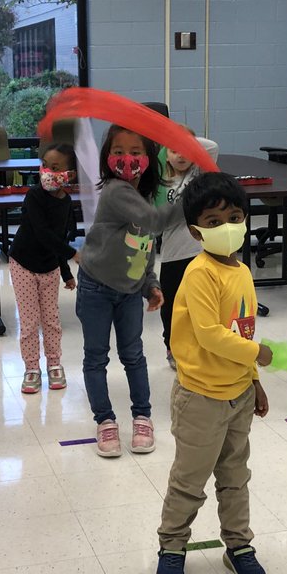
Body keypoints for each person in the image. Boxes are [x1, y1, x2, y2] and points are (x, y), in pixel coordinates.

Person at [155, 173, 272, 574]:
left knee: (235, 475)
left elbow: (242, 329)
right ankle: (172, 545)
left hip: (238, 396)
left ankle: (238, 545)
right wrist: (257, 355)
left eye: (235, 217)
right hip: (200, 397)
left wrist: (253, 378)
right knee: (190, 479)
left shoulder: (240, 270)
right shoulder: (200, 273)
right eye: (214, 220)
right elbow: (209, 334)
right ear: (195, 230)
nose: (227, 227)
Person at [77, 125, 182, 456]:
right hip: (96, 287)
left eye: (136, 152)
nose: (127, 159)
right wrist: (193, 199)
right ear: (108, 158)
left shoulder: (145, 196)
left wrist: (149, 283)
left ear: (149, 159)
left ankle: (142, 416)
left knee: (133, 355)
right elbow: (153, 222)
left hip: (129, 291)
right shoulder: (115, 191)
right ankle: (105, 421)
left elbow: (144, 245)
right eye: (119, 151)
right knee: (96, 356)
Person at [9, 142, 79, 394]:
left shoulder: (67, 202)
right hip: (23, 265)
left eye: (56, 167)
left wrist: (66, 272)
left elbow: (59, 238)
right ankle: (31, 368)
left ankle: (54, 364)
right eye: (45, 165)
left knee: (51, 320)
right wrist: (73, 255)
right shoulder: (34, 196)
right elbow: (42, 233)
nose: (48, 171)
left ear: (69, 175)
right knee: (29, 322)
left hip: (49, 268)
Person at [157, 130, 220, 369]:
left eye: (187, 150)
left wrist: (182, 141)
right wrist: (166, 145)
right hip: (173, 255)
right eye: (174, 151)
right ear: (166, 154)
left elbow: (212, 146)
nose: (181, 155)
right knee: (172, 304)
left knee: (202, 302)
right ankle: (172, 347)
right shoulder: (162, 180)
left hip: (201, 252)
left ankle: (201, 345)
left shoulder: (199, 173)